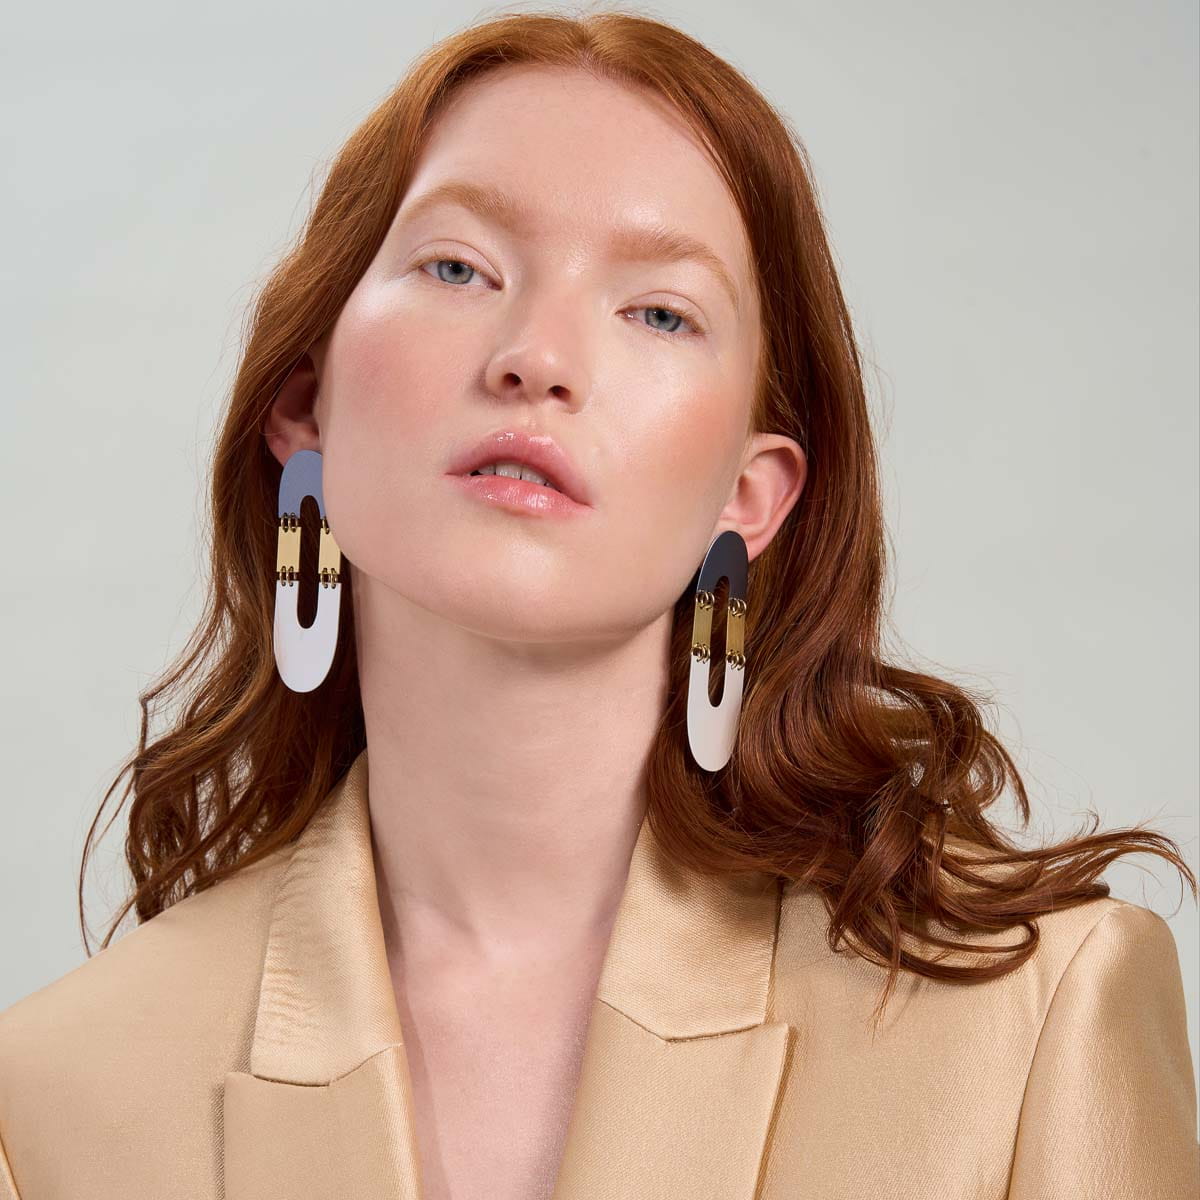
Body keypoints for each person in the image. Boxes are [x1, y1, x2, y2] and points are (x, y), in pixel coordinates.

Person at [0, 10, 1195, 1200]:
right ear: (305, 409)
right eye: (459, 267)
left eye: (660, 311)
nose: (538, 356)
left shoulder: (1033, 1022)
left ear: (750, 494)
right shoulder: (52, 1100)